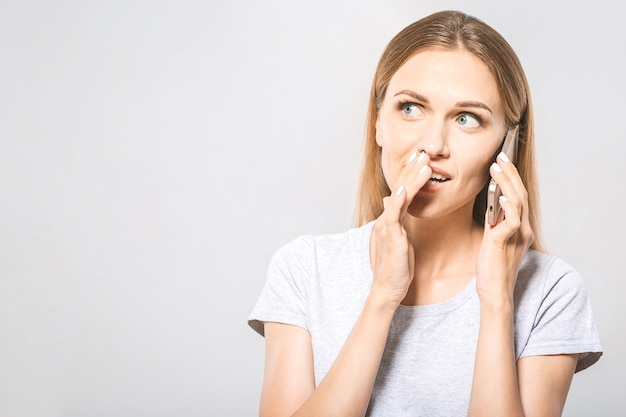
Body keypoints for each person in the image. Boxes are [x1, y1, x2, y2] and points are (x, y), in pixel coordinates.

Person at [248, 9, 602, 417]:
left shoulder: (551, 291)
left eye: (467, 119)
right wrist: (381, 298)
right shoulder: (304, 269)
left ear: (505, 149)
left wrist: (496, 301)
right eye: (411, 108)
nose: (433, 144)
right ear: (378, 122)